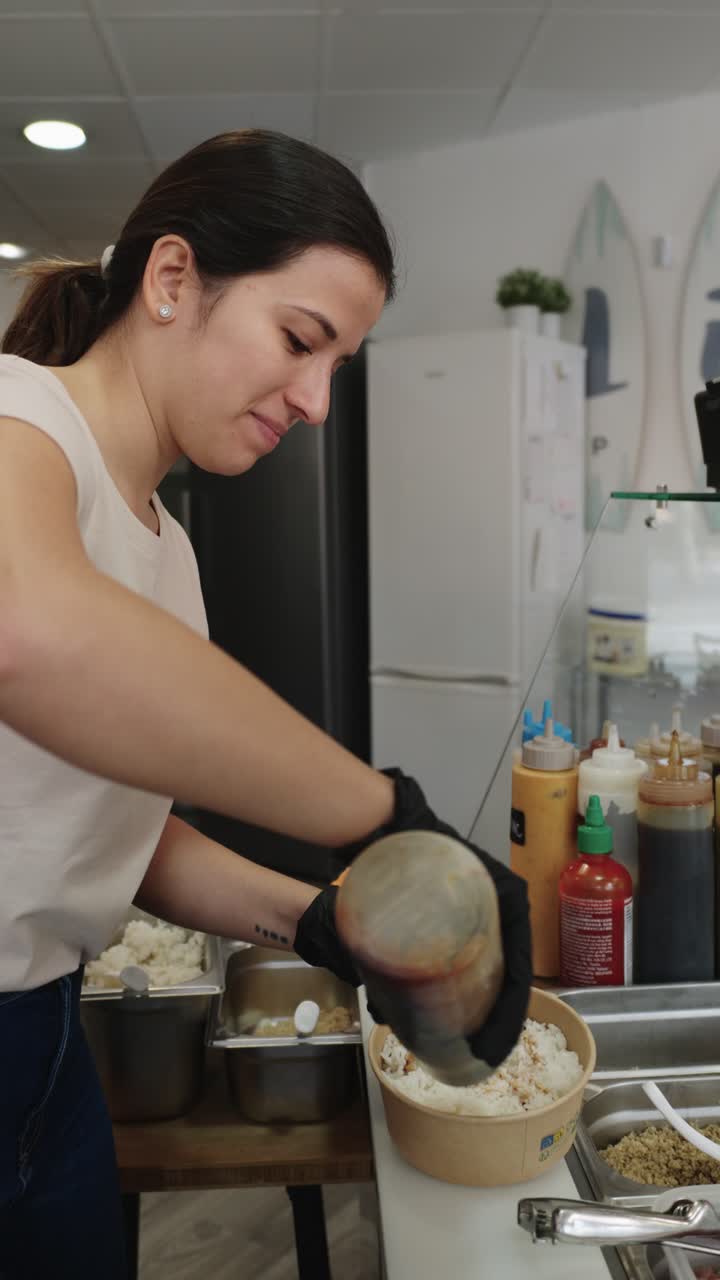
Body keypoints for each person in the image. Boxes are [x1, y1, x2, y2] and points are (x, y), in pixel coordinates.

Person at [0, 129, 531, 1279]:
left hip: (44, 1055)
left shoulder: (172, 554)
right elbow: (29, 635)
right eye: (303, 341)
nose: (318, 400)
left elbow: (121, 835)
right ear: (174, 279)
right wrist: (387, 817)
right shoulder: (16, 421)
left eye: (337, 363)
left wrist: (329, 923)